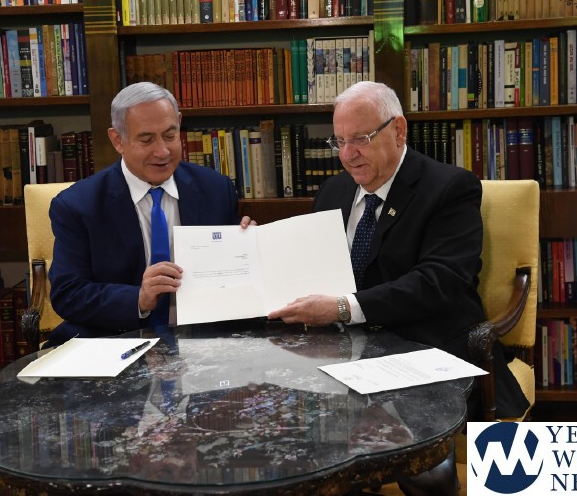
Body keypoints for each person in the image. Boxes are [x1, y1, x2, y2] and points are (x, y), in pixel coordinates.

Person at [267, 81, 529, 422]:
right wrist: (254, 247)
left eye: (360, 139)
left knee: (409, 452)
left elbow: (438, 281)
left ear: (399, 131)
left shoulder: (450, 188)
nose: (347, 155)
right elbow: (311, 265)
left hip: (426, 351)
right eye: (340, 141)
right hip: (344, 357)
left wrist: (342, 308)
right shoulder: (333, 190)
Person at [46, 82, 253, 346]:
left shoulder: (216, 189)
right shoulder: (78, 205)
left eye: (170, 135)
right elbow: (68, 294)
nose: (163, 151)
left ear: (179, 124)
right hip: (114, 342)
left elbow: (231, 279)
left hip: (204, 341)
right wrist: (139, 299)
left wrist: (249, 247)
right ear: (117, 140)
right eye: (146, 140)